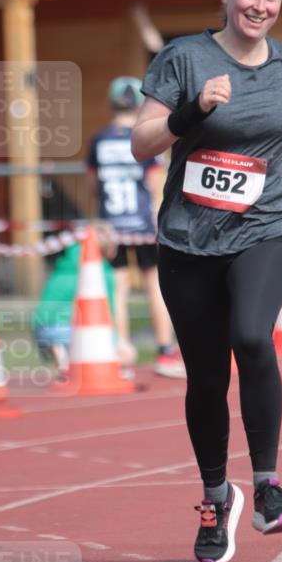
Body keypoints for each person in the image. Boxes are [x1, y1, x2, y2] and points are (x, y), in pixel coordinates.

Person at [131, 0, 282, 562]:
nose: (260, 5)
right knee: (206, 377)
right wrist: (193, 112)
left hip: (268, 227)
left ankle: (270, 486)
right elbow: (142, 143)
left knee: (252, 336)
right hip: (189, 240)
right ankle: (216, 497)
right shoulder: (184, 59)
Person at [87, 76, 185, 379]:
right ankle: (165, 350)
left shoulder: (99, 141)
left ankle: (122, 351)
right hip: (143, 222)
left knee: (117, 288)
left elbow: (93, 186)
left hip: (112, 224)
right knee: (154, 285)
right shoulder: (145, 139)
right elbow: (154, 185)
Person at [31, 240, 117, 379]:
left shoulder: (60, 268)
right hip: (74, 328)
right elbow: (107, 310)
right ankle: (70, 355)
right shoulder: (103, 272)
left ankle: (59, 350)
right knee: (125, 353)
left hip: (41, 326)